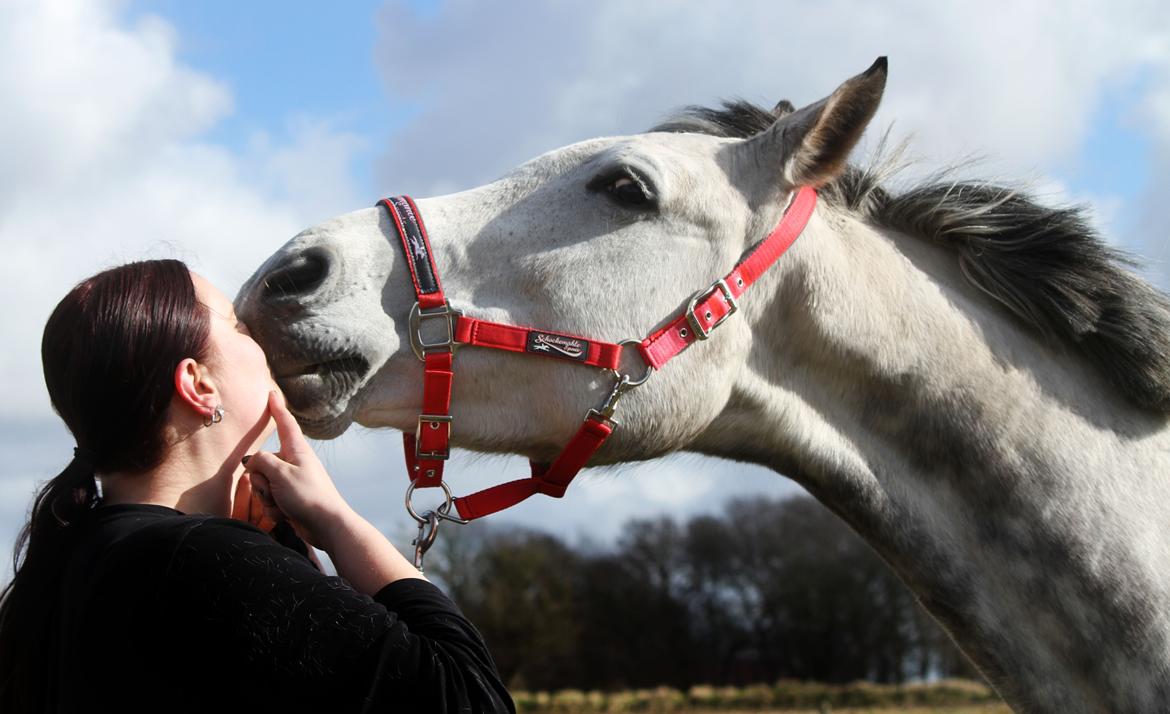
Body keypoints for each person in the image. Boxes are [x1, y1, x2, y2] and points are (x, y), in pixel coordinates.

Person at [0, 259, 515, 713]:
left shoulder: (79, 558)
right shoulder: (202, 560)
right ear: (198, 385)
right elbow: (468, 695)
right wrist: (335, 520)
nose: (260, 339)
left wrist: (284, 544)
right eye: (237, 325)